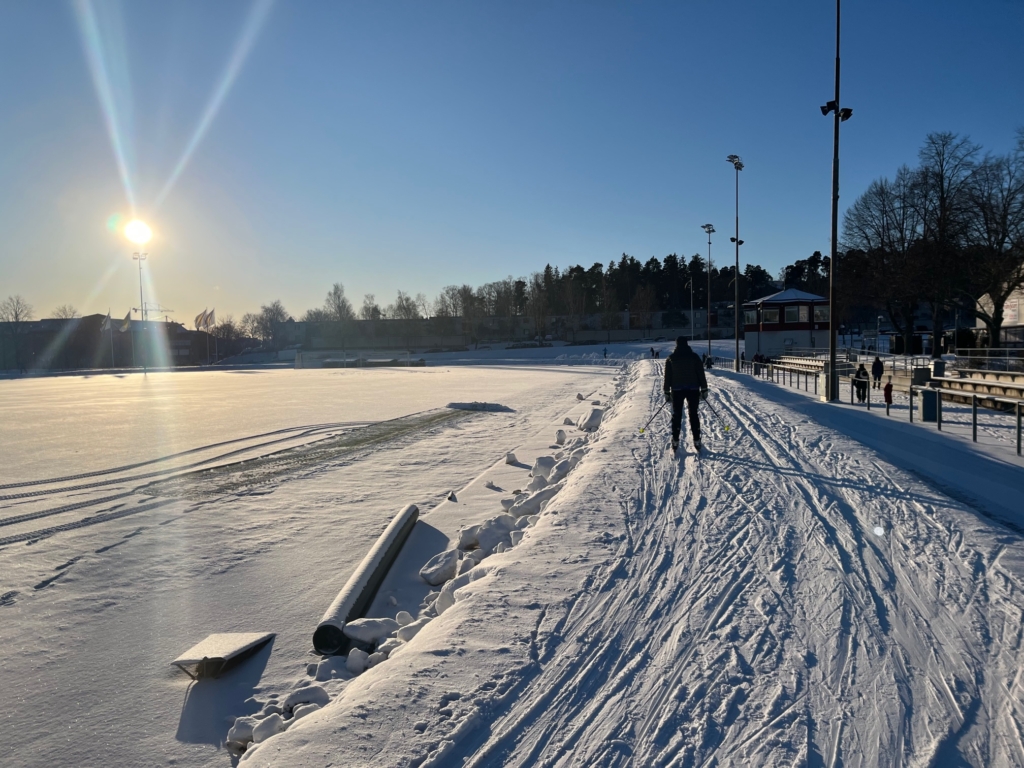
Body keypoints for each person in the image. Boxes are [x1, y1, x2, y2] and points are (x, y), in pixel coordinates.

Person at [663, 336, 709, 452]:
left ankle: (675, 439)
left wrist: (666, 391)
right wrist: (704, 389)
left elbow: (667, 377)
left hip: (677, 389)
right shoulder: (694, 357)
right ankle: (697, 439)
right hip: (693, 389)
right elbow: (700, 373)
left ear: (676, 344)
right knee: (693, 414)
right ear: (687, 344)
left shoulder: (671, 358)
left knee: (677, 414)